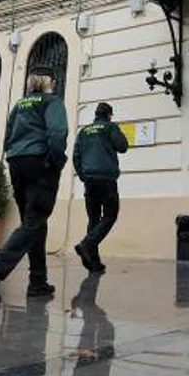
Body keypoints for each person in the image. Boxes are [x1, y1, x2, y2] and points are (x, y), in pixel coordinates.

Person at [0, 64, 69, 304]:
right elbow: (58, 133)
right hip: (40, 162)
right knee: (35, 219)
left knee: (33, 222)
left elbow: (7, 136)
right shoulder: (51, 101)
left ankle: (38, 282)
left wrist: (14, 155)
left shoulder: (20, 105)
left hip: (17, 163)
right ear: (50, 82)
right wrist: (56, 162)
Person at [72, 102, 128, 273]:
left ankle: (93, 263)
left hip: (89, 179)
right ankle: (87, 244)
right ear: (109, 115)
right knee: (110, 215)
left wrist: (83, 176)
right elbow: (123, 147)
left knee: (94, 219)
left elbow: (76, 156)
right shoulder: (110, 127)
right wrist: (114, 129)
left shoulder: (84, 131)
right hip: (106, 179)